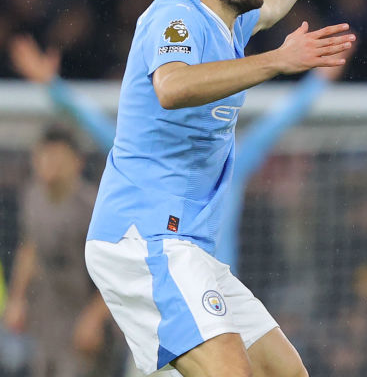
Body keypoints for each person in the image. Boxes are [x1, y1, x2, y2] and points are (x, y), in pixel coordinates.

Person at [84, 0, 355, 377]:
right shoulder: (174, 14)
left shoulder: (230, 25)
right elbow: (172, 85)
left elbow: (270, 4)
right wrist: (276, 61)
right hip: (143, 235)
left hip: (189, 246)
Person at [8, 33, 346, 271]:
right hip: (161, 289)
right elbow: (91, 121)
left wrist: (318, 82)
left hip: (212, 292)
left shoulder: (231, 157)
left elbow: (279, 119)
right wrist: (52, 86)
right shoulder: (150, 154)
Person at [3, 125, 120, 377]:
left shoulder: (92, 208)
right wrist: (17, 299)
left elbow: (118, 271)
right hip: (48, 322)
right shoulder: (32, 198)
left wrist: (93, 319)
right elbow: (29, 248)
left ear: (77, 163)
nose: (49, 166)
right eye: (43, 157)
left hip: (87, 326)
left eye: (57, 158)